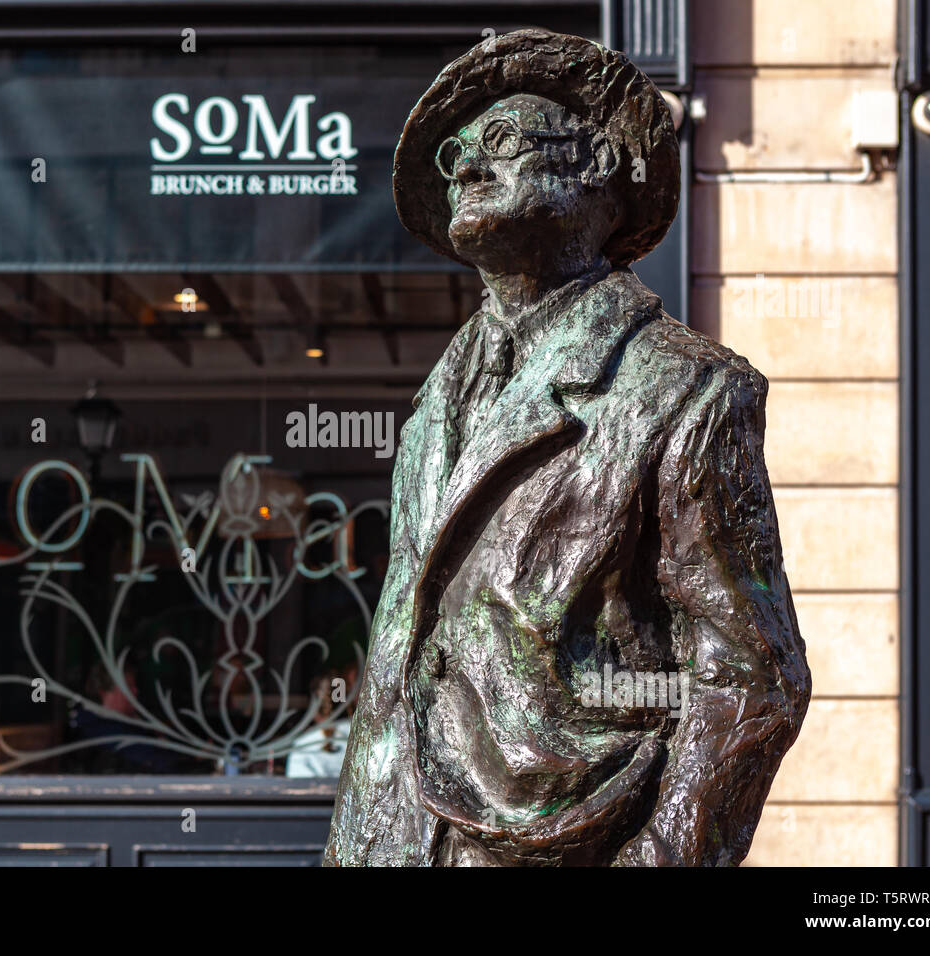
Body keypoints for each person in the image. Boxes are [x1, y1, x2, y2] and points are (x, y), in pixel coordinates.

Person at [326, 30, 810, 867]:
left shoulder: (684, 389)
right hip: (398, 839)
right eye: (456, 154)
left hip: (562, 840)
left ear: (594, 169)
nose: (469, 166)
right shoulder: (437, 398)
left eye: (503, 142)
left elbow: (749, 676)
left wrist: (660, 856)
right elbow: (401, 650)